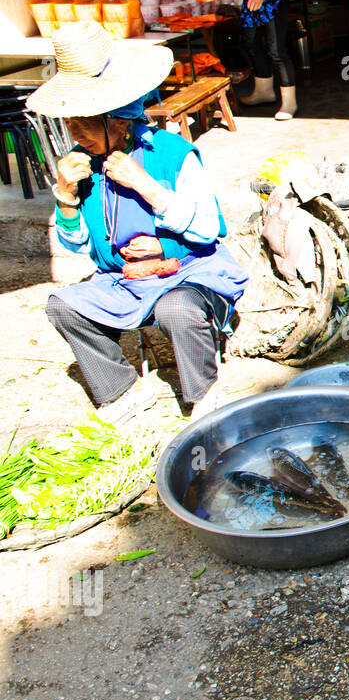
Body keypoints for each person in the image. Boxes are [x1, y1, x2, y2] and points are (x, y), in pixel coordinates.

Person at [28, 24, 249, 422]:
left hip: (188, 272)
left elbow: (209, 229)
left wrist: (147, 189)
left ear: (118, 121)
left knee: (177, 310)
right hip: (122, 280)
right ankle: (119, 389)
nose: (74, 134)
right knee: (62, 306)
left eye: (83, 122)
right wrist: (65, 196)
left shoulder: (172, 154)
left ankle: (203, 392)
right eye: (69, 123)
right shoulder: (84, 165)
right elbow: (79, 246)